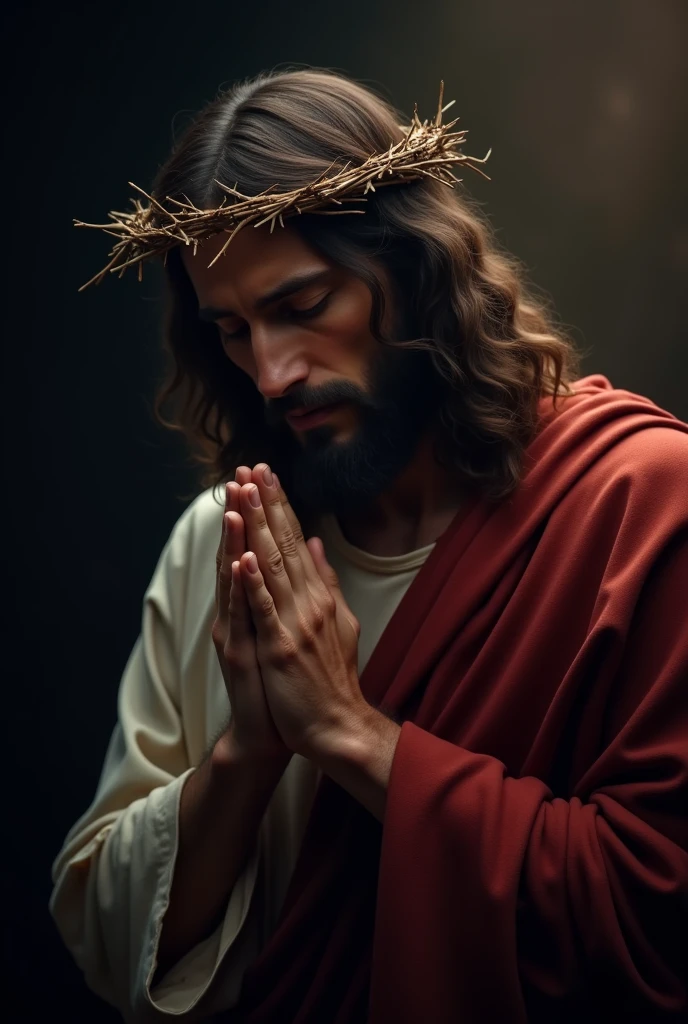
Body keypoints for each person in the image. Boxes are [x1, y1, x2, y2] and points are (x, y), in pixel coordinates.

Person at [50, 67, 688, 1023]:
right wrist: (250, 751)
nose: (271, 373)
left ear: (418, 270)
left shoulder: (637, 503)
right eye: (232, 331)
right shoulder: (222, 545)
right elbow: (102, 933)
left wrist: (348, 733)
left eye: (305, 308)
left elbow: (657, 919)